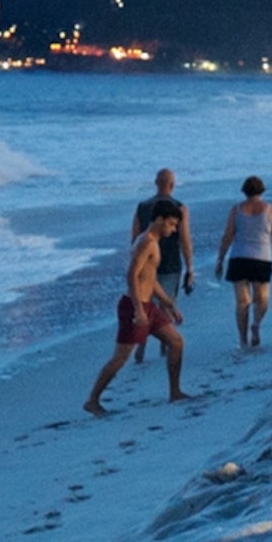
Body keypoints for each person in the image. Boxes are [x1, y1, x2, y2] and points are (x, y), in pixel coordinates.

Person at [86, 199, 185, 414]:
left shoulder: (154, 241)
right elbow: (131, 275)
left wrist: (169, 304)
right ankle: (92, 400)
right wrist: (138, 310)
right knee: (121, 357)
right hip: (134, 306)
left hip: (148, 305)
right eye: (171, 224)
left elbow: (149, 278)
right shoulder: (146, 242)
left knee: (176, 342)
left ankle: (175, 392)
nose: (174, 229)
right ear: (159, 220)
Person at [216, 175, 272, 347]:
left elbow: (227, 236)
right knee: (262, 299)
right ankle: (255, 324)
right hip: (261, 258)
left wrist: (220, 259)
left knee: (242, 302)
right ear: (262, 190)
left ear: (245, 191)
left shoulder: (236, 210)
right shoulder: (270, 210)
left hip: (238, 258)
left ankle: (243, 340)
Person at [135, 169, 192, 309]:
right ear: (172, 185)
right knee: (166, 309)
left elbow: (135, 239)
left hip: (145, 262)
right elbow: (185, 240)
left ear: (155, 183)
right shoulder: (180, 208)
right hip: (170, 264)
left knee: (146, 306)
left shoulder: (142, 207)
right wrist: (190, 267)